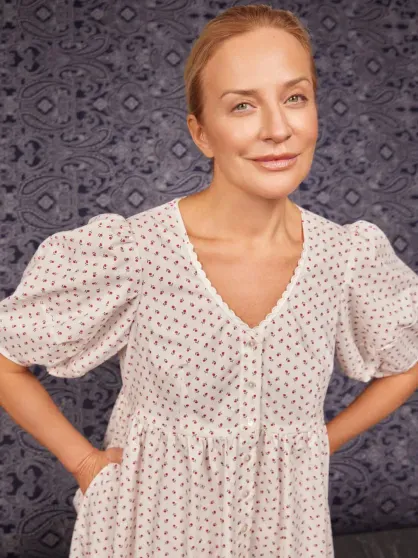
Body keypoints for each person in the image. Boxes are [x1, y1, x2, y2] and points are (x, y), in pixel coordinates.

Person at [0, 4, 418, 557]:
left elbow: (407, 360)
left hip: (284, 538)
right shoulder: (135, 253)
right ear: (201, 133)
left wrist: (315, 444)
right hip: (148, 534)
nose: (278, 129)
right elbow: (6, 356)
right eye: (243, 105)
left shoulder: (346, 259)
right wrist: (85, 464)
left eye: (295, 97)